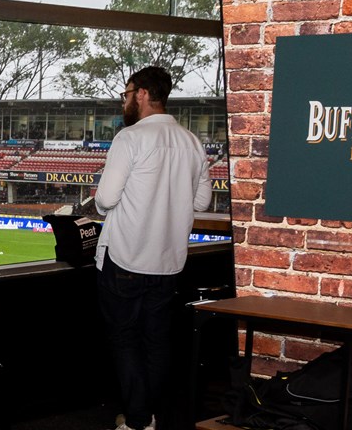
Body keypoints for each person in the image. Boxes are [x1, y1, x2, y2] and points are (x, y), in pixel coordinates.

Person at [93, 66, 214, 430]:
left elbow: (106, 199)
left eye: (127, 94)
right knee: (157, 342)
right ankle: (148, 415)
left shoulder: (130, 138)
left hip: (126, 258)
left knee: (125, 340)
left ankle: (137, 420)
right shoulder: (191, 142)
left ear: (142, 94)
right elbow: (202, 201)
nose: (125, 101)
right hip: (168, 262)